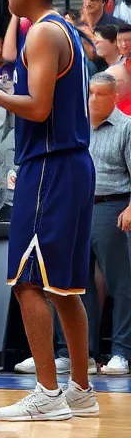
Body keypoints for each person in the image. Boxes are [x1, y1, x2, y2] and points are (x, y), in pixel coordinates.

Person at [0, 0, 100, 420]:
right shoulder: (61, 31)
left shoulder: (44, 32)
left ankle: (48, 393)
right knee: (67, 288)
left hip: (50, 164)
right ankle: (80, 388)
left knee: (27, 281)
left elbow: (36, 108)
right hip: (72, 164)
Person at [85, 73, 131, 376]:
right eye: (89, 93)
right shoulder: (78, 127)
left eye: (100, 94)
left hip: (113, 205)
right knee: (77, 284)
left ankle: (121, 352)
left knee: (120, 283)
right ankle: (80, 354)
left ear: (114, 97)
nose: (92, 100)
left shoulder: (126, 126)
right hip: (78, 208)